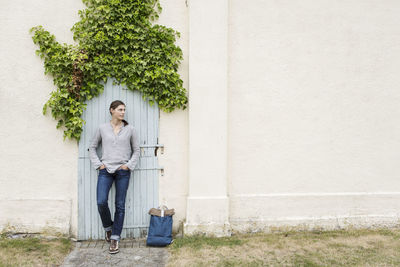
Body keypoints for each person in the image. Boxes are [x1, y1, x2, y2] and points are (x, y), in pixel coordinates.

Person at [88, 100, 140, 254]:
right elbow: (92, 147)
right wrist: (99, 164)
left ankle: (115, 238)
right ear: (111, 110)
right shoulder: (102, 128)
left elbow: (136, 150)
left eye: (124, 110)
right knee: (101, 202)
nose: (123, 112)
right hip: (106, 170)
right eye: (119, 109)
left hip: (123, 171)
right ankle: (108, 228)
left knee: (120, 205)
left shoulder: (130, 129)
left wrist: (128, 165)